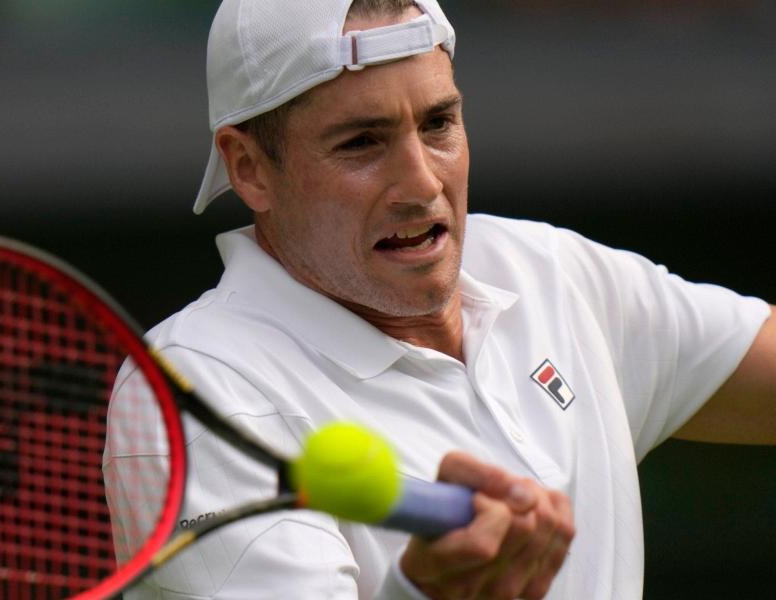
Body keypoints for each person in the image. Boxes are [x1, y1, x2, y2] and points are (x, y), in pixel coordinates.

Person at [103, 0, 776, 598]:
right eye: (362, 142)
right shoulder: (192, 392)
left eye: (438, 123)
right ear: (250, 167)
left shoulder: (548, 268)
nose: (421, 183)